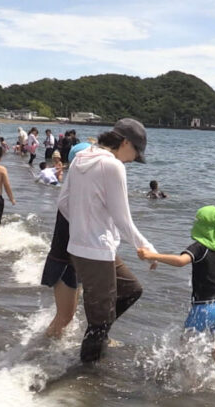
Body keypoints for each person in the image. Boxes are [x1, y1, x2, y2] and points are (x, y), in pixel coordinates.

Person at [57, 118, 157, 363]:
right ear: (124, 142)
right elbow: (123, 219)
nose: (134, 159)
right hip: (96, 251)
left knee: (131, 290)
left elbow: (63, 203)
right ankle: (84, 380)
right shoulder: (112, 166)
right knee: (99, 324)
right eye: (135, 152)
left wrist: (83, 227)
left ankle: (98, 337)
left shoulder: (81, 157)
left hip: (86, 248)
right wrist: (146, 247)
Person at [137, 205, 215, 389]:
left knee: (185, 350)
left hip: (202, 307)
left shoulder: (199, 248)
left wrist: (153, 255)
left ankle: (190, 387)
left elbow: (180, 261)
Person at [41, 211, 79, 338]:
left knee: (69, 315)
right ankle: (41, 348)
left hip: (77, 258)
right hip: (64, 259)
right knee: (65, 317)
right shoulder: (73, 196)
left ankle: (50, 347)